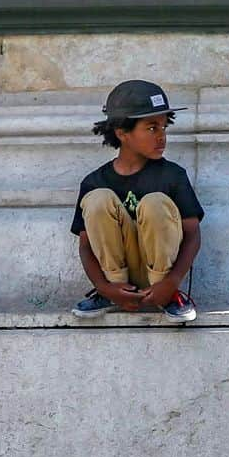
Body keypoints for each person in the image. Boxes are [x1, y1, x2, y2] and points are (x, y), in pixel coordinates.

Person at [70, 80, 203, 322]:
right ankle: (114, 293)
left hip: (162, 276)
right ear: (122, 133)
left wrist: (171, 283)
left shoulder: (172, 175)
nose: (161, 136)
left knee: (154, 203)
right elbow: (86, 245)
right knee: (98, 199)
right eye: (151, 128)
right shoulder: (95, 181)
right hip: (116, 280)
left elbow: (192, 234)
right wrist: (103, 286)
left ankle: (170, 296)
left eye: (164, 127)